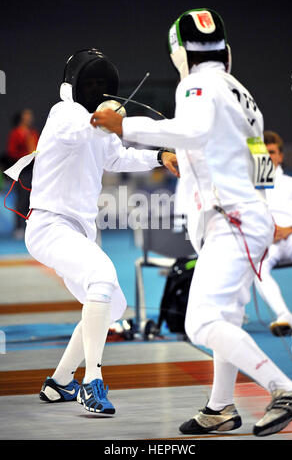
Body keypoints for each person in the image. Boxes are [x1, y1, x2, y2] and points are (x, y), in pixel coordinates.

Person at [91, 9, 292, 436]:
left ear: (180, 53)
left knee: (200, 321)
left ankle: (285, 388)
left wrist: (122, 125)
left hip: (232, 221)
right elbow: (257, 161)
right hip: (247, 218)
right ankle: (221, 407)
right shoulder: (241, 92)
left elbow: (193, 130)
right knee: (228, 317)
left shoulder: (196, 83)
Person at [23, 48, 178, 414]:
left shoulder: (99, 122)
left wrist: (159, 156)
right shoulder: (64, 113)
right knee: (102, 274)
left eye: (100, 85)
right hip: (49, 224)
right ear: (75, 85)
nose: (95, 89)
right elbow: (82, 130)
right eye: (89, 83)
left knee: (114, 305)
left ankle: (59, 382)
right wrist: (110, 117)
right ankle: (92, 382)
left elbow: (116, 156)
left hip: (78, 230)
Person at [254, 131, 292, 336]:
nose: (268, 156)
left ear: (281, 155)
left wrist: (290, 229)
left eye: (272, 152)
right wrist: (267, 233)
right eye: (263, 152)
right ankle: (285, 316)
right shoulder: (249, 187)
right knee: (257, 266)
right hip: (268, 243)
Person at [5, 109, 39, 239]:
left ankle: (33, 227)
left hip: (35, 170)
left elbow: (38, 149)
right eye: (27, 115)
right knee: (22, 199)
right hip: (22, 170)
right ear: (21, 118)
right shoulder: (15, 134)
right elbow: (11, 152)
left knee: (34, 199)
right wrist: (26, 157)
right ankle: (19, 227)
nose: (29, 117)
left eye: (30, 115)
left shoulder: (33, 133)